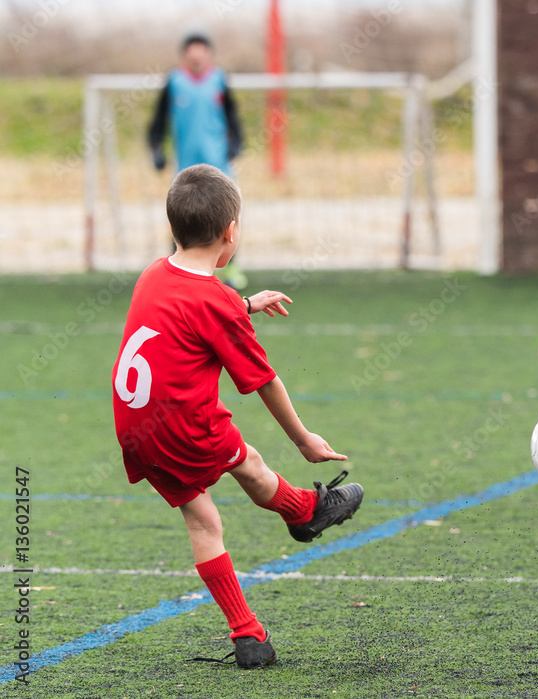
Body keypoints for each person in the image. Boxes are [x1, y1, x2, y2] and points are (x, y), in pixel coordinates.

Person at [111, 164, 364, 668]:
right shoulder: (216, 301)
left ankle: (249, 636)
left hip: (136, 429)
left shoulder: (154, 274)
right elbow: (264, 381)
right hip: (184, 425)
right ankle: (304, 512)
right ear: (232, 233)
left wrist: (243, 304)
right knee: (246, 460)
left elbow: (189, 312)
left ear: (173, 228)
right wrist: (305, 441)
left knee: (203, 520)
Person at [148, 31, 248, 289]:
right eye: (192, 48)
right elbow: (158, 120)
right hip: (186, 168)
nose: (196, 53)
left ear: (208, 52)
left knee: (227, 216)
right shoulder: (174, 81)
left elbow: (232, 115)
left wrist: (237, 142)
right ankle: (178, 270)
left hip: (219, 164)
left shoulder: (219, 80)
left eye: (201, 48)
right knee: (181, 216)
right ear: (185, 53)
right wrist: (156, 148)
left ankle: (231, 268)